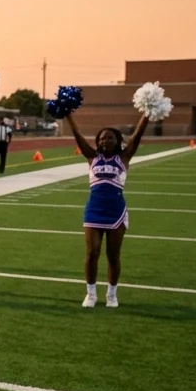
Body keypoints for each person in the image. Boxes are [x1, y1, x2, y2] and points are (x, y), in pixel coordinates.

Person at [67, 112, 149, 308]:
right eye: (102, 138)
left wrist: (147, 113)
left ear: (117, 141)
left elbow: (137, 135)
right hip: (94, 210)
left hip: (116, 212)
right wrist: (68, 115)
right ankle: (91, 294)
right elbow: (77, 135)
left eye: (110, 138)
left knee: (113, 256)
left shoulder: (124, 157)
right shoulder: (91, 157)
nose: (105, 141)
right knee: (92, 252)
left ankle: (112, 294)